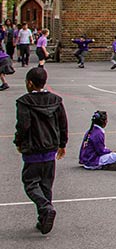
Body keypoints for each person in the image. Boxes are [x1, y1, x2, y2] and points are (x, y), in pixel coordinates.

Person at [13, 67, 67, 234]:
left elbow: (23, 125)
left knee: (30, 183)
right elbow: (62, 123)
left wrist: (18, 141)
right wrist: (62, 144)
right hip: (50, 146)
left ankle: (45, 208)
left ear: (29, 83)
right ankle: (43, 218)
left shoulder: (24, 102)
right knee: (46, 184)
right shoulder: (56, 101)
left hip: (33, 147)